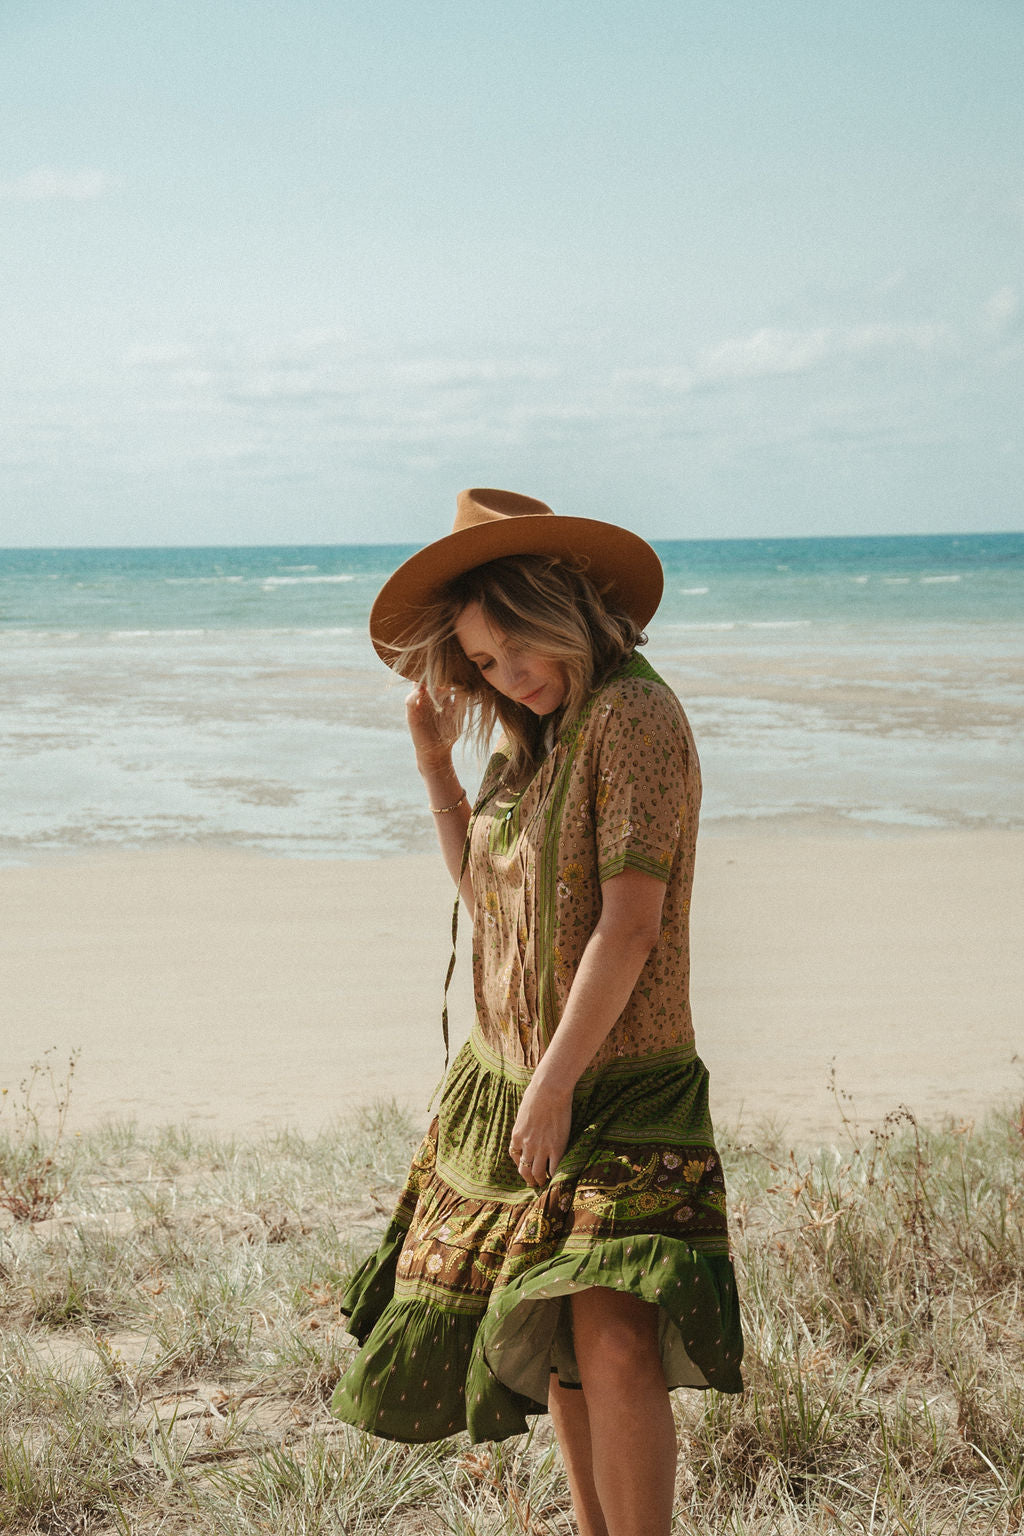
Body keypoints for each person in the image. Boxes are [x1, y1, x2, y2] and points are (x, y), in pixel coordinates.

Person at [332, 488, 743, 1536]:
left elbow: (631, 927)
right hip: (515, 1077)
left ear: (563, 607)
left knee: (614, 1341)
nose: (506, 674)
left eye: (516, 644)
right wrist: (435, 764)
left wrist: (554, 1085)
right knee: (558, 1338)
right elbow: (491, 906)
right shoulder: (532, 738)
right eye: (482, 661)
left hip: (615, 1085)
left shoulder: (633, 715)